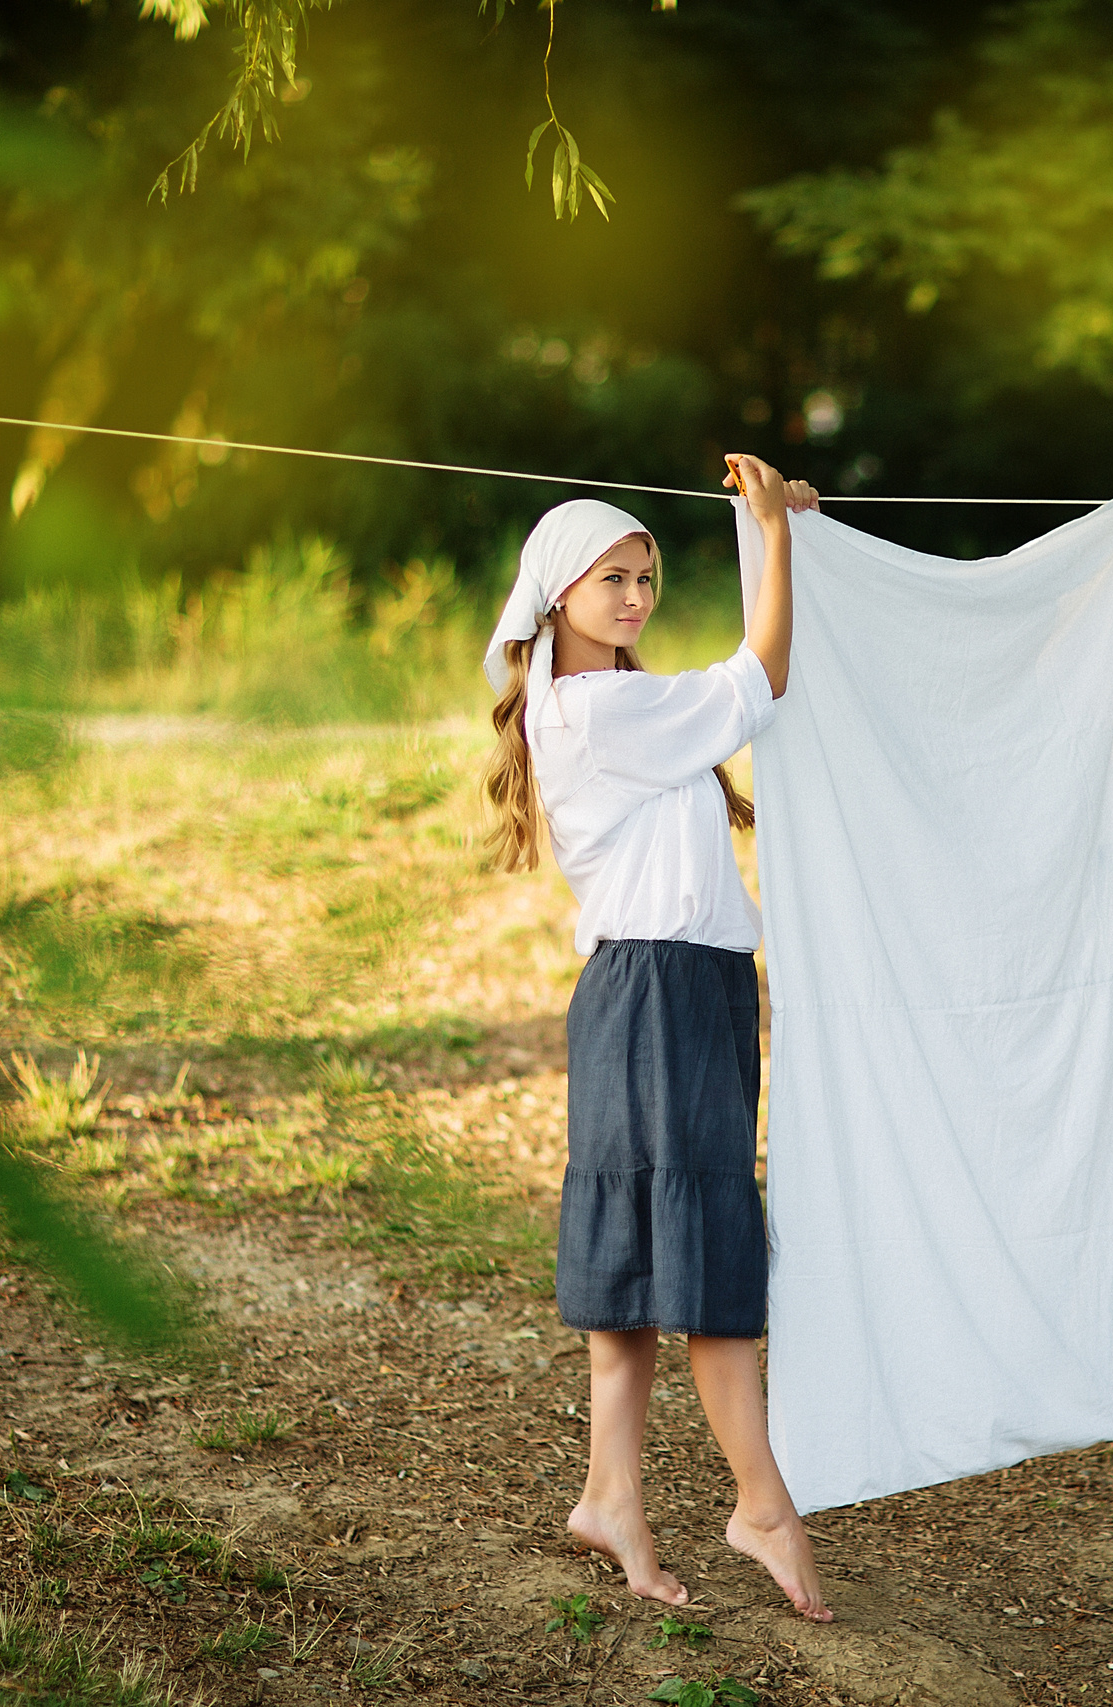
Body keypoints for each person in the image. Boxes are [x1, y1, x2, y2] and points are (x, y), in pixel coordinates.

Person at [480, 454, 831, 1621]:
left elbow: (745, 688)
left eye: (648, 576)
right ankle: (760, 1502)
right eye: (612, 579)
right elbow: (764, 674)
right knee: (703, 1254)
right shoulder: (593, 708)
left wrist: (782, 531)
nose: (635, 595)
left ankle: (610, 1497)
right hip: (656, 993)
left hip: (683, 987)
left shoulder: (615, 703)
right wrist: (774, 538)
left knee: (639, 1263)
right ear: (555, 595)